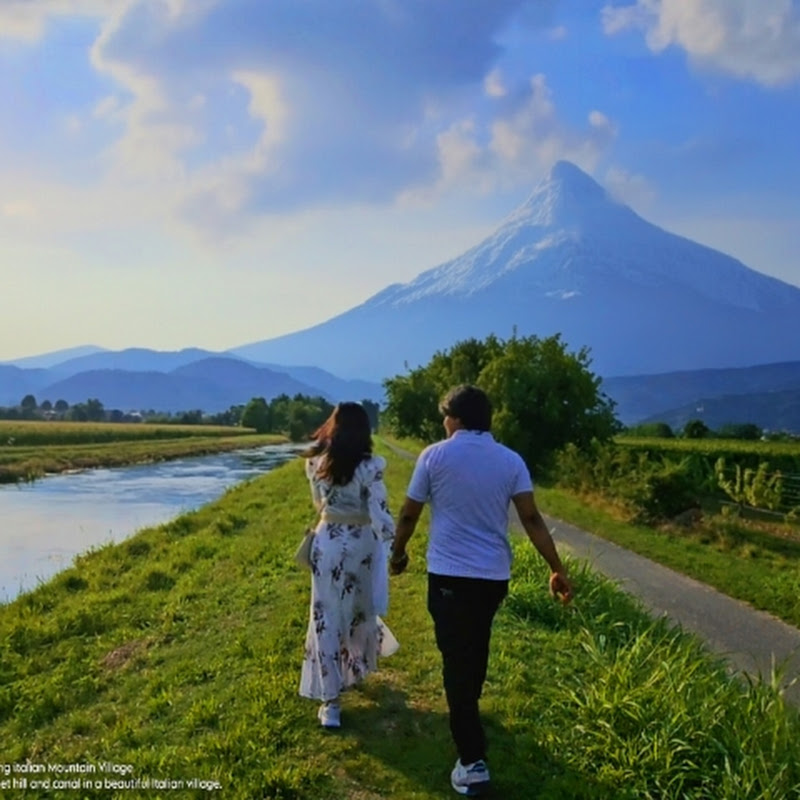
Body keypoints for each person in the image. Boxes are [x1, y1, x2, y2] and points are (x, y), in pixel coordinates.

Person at [389, 385, 572, 796]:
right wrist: (556, 568)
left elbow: (408, 513)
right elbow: (532, 519)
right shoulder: (511, 461)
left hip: (450, 576)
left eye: (445, 417)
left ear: (454, 419)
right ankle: (469, 714)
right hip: (492, 578)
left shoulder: (434, 455)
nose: (443, 424)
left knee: (457, 659)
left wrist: (397, 554)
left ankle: (472, 761)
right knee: (474, 647)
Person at [299, 402, 399, 728]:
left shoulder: (316, 463)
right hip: (361, 545)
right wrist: (395, 545)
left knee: (325, 617)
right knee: (358, 610)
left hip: (327, 542)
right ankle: (354, 669)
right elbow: (380, 511)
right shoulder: (371, 466)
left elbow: (318, 503)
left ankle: (331, 703)